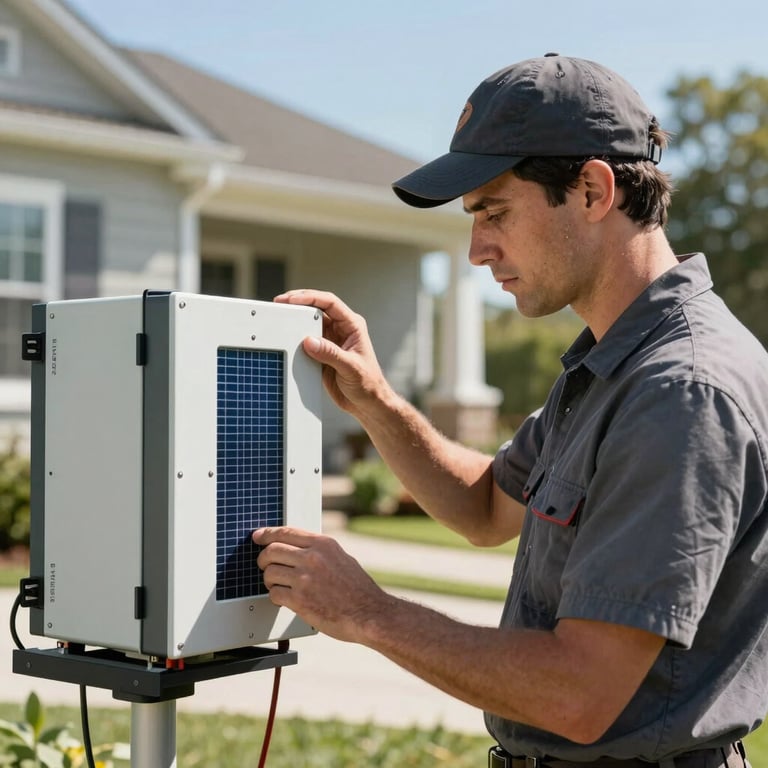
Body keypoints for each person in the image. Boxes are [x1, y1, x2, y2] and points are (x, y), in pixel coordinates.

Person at [252, 53, 768, 767]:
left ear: (592, 190)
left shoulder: (680, 390)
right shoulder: (610, 363)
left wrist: (368, 613)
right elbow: (487, 507)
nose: (475, 250)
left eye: (494, 212)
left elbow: (578, 694)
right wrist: (375, 400)